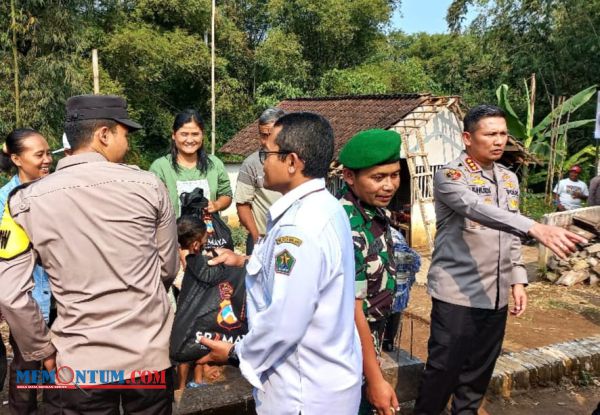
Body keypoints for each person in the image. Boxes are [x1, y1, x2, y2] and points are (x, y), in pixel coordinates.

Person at [0, 95, 179, 414]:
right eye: (126, 133)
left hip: (80, 362)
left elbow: (10, 295)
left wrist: (42, 348)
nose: (127, 142)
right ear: (104, 135)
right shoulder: (150, 186)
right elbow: (166, 268)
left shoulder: (23, 203)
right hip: (148, 357)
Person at [413, 104, 586, 415]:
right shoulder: (450, 176)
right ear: (467, 137)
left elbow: (509, 235)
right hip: (457, 293)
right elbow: (477, 209)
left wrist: (518, 279)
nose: (499, 140)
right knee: (443, 372)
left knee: (477, 377)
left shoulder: (508, 178)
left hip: (495, 295)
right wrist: (534, 226)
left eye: (503, 134)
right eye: (490, 134)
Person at [197, 112, 363, 415]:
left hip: (302, 392)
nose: (262, 162)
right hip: (328, 380)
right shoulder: (326, 207)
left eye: (267, 153)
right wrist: (241, 259)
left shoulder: (298, 226)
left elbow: (285, 321)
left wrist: (235, 353)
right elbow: (303, 276)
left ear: (292, 162)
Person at [337, 129, 402, 415]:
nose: (389, 185)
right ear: (349, 176)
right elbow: (353, 310)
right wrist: (375, 378)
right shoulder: (347, 226)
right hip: (349, 344)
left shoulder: (375, 212)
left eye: (394, 175)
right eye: (378, 178)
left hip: (369, 339)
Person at [0, 128, 53, 413]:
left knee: (60, 379)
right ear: (17, 159)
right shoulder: (3, 201)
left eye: (48, 153)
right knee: (26, 374)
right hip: (29, 303)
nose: (47, 160)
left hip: (64, 301)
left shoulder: (58, 191)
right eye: (39, 155)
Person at [150, 109, 232, 217]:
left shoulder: (214, 164)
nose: (189, 140)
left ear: (202, 135)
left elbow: (226, 194)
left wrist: (216, 205)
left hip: (209, 232)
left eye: (195, 134)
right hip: (173, 233)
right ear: (174, 135)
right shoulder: (160, 167)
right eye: (184, 134)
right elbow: (151, 204)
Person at [235, 107, 284, 254]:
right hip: (261, 238)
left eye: (271, 135)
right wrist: (256, 238)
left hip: (292, 239)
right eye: (263, 135)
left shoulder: (297, 161)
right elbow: (242, 204)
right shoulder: (251, 163)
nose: (266, 141)